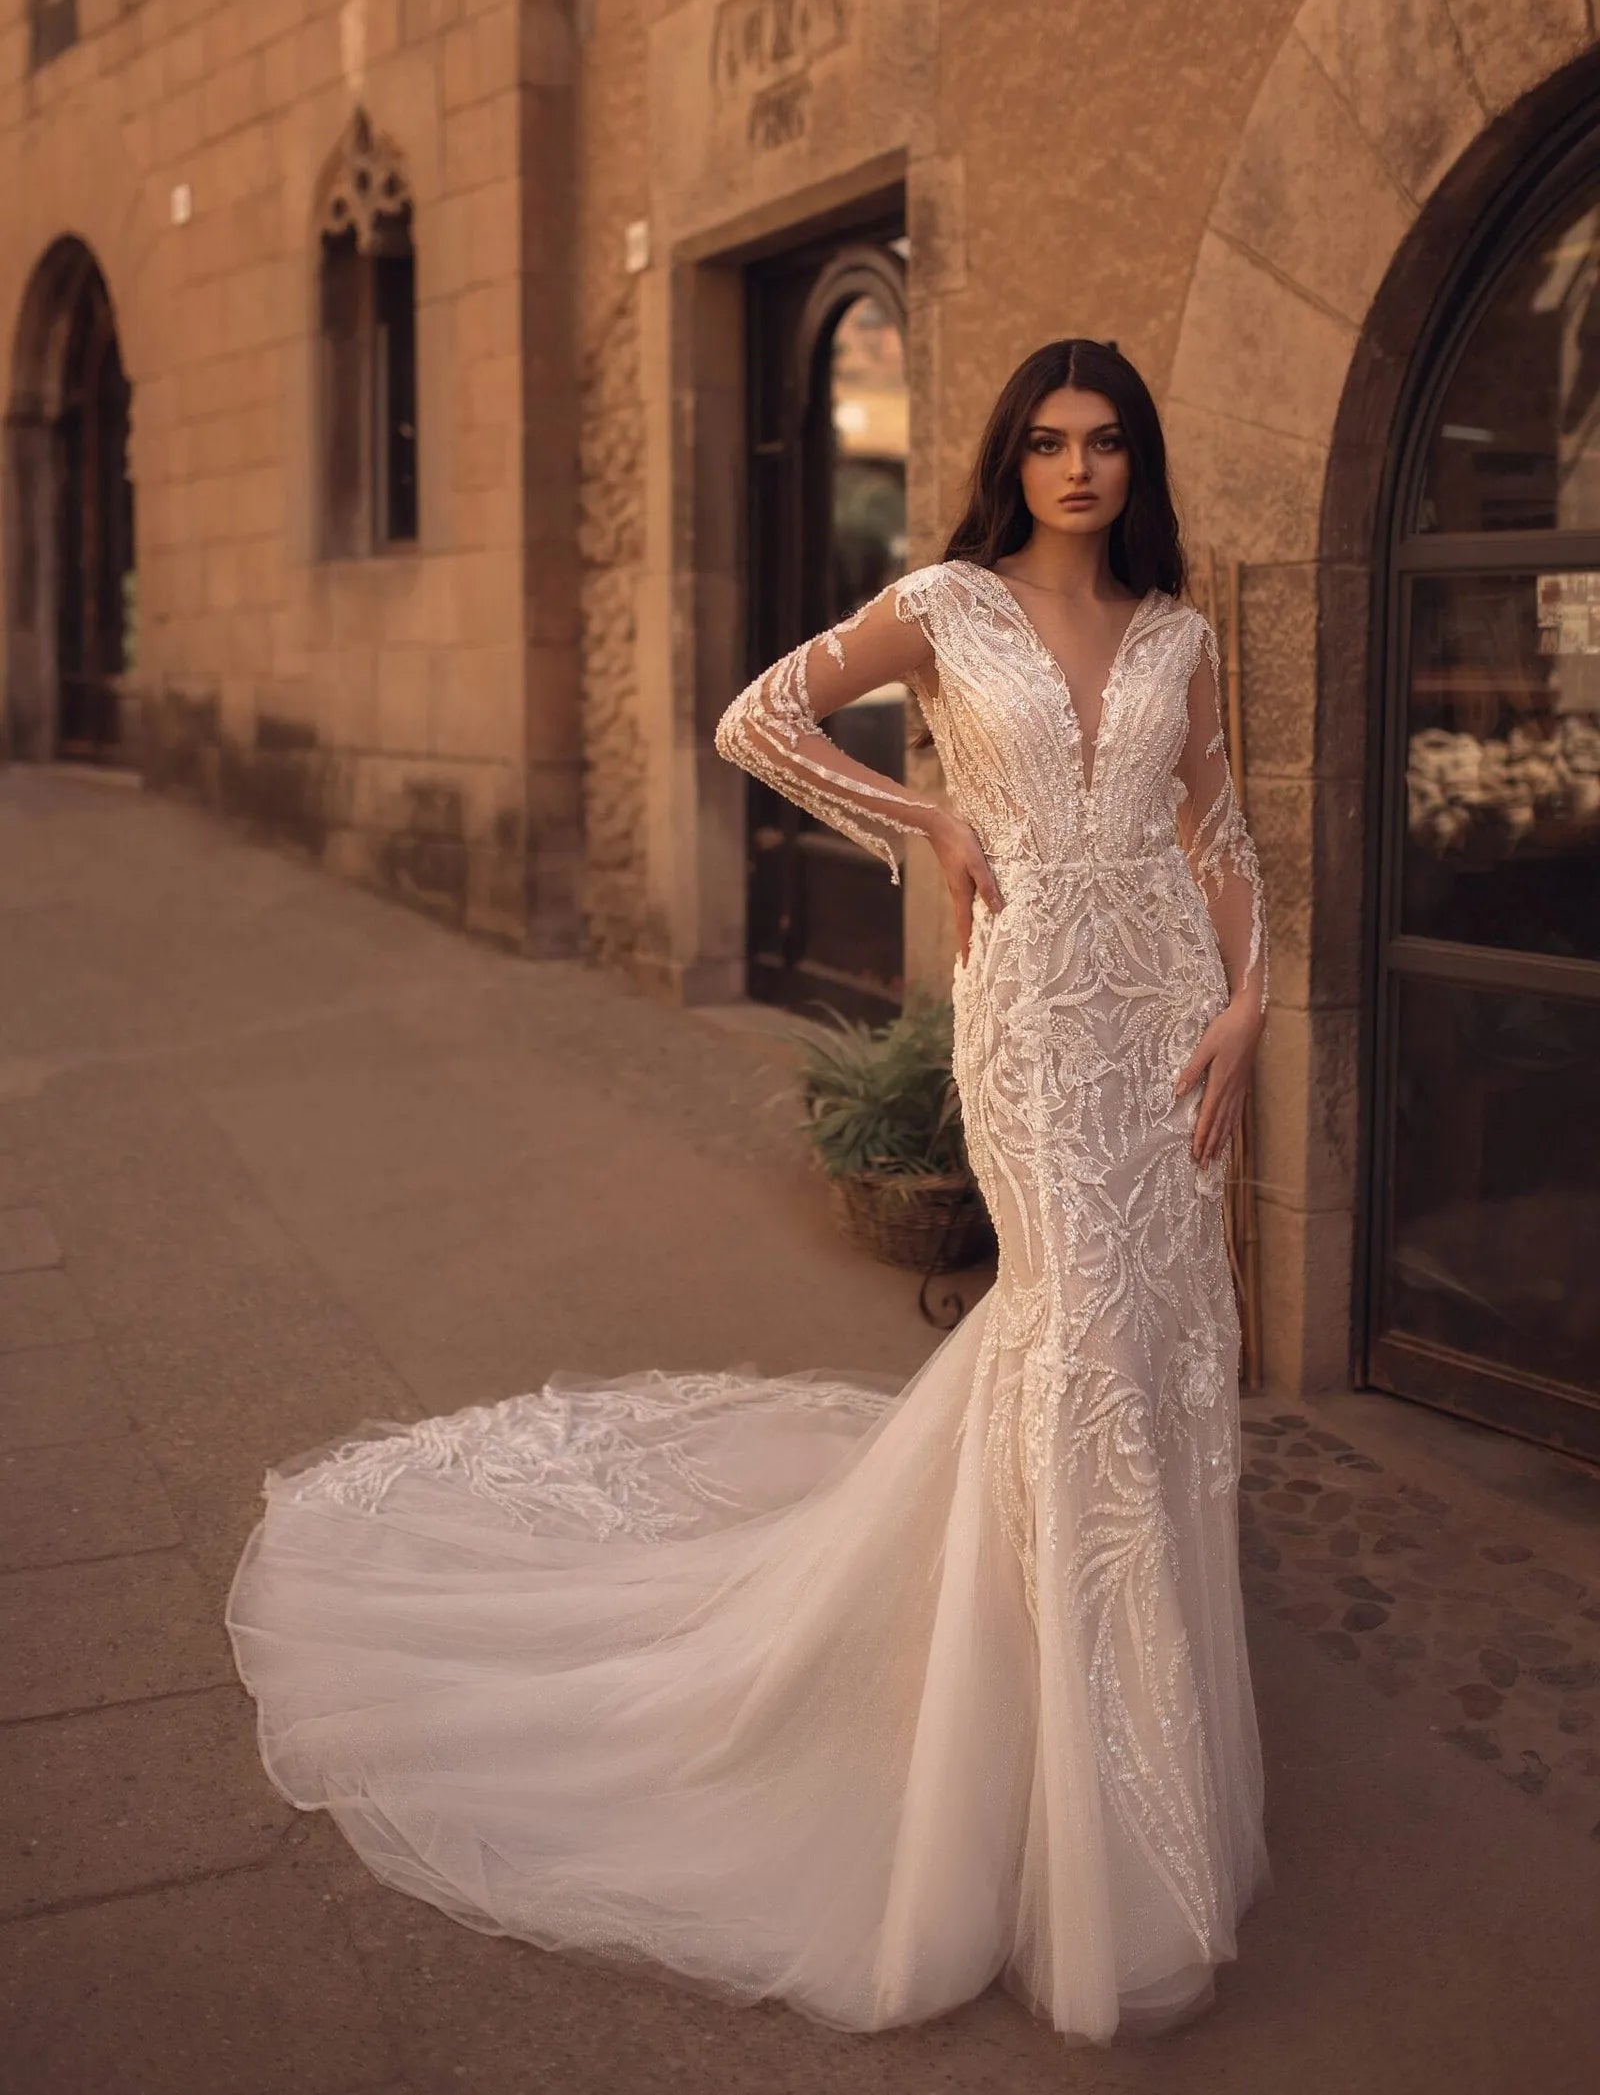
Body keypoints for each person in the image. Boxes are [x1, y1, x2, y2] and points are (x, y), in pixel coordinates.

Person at [226, 337, 1271, 2050]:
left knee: (1140, 1357)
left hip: (1165, 1030)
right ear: (1012, 460)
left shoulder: (1180, 637)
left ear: (1136, 465)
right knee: (1076, 1334)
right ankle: (1074, 1817)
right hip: (1030, 1035)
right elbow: (757, 718)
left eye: (1105, 445)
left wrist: (1246, 1002)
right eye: (1050, 443)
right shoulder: (945, 604)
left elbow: (1214, 824)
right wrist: (919, 810)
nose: (1078, 470)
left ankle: (1083, 1755)